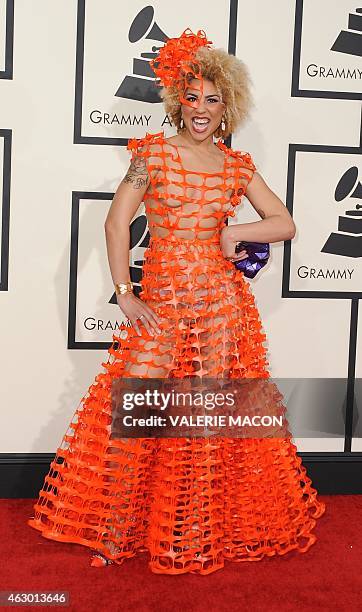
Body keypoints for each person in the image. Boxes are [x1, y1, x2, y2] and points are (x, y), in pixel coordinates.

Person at [28, 29, 326, 575]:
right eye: (193, 97)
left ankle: (193, 531)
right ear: (177, 100)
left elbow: (285, 223)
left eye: (213, 100)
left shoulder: (237, 167)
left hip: (219, 306)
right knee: (135, 409)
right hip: (161, 301)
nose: (201, 110)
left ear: (227, 107)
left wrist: (240, 234)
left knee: (206, 418)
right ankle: (117, 531)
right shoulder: (153, 154)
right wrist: (124, 292)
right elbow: (118, 222)